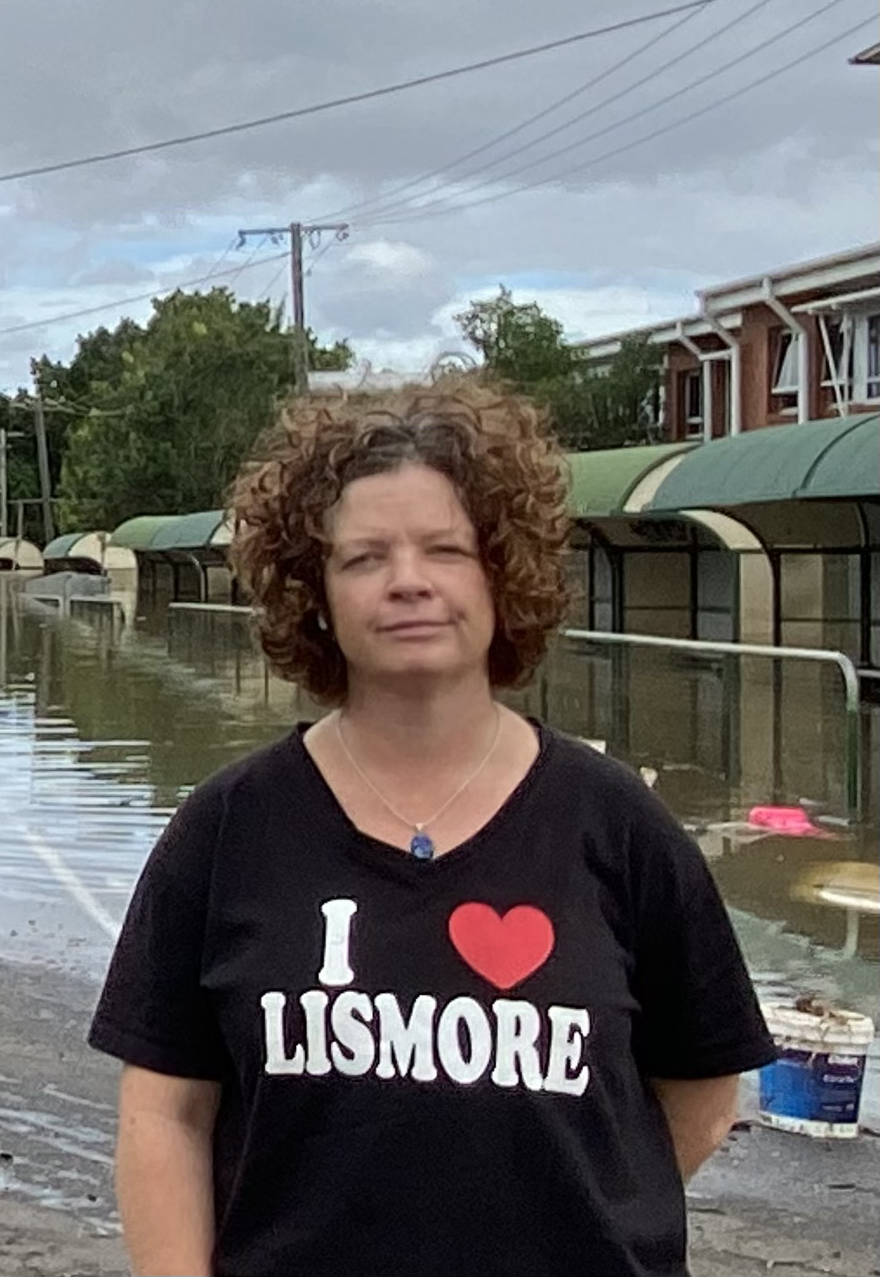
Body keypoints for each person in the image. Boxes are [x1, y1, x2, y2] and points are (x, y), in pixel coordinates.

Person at [87, 378, 777, 1277]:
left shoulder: (618, 824)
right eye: (364, 556)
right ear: (314, 593)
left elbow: (700, 1094)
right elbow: (164, 1113)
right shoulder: (226, 829)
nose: (407, 580)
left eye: (445, 549)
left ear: (503, 572)